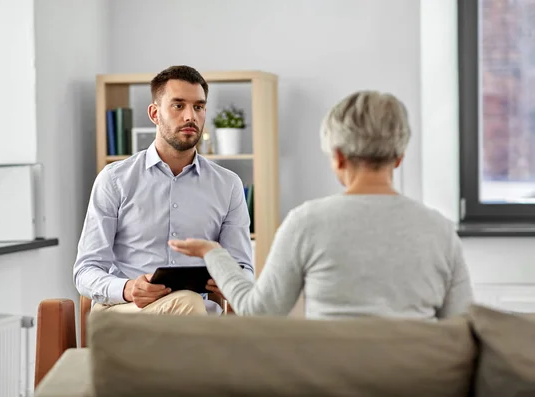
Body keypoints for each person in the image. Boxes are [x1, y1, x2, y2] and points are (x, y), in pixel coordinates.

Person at [169, 90, 474, 320]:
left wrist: (214, 253)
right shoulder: (440, 230)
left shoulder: (307, 222)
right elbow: (462, 326)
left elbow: (258, 311)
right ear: (398, 157)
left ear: (338, 156)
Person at [73, 65, 253, 315]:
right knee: (191, 307)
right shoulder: (114, 179)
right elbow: (85, 271)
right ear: (154, 113)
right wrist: (127, 288)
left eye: (198, 107)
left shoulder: (227, 184)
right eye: (178, 105)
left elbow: (243, 267)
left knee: (192, 306)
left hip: (195, 313)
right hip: (126, 311)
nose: (190, 116)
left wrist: (231, 281)